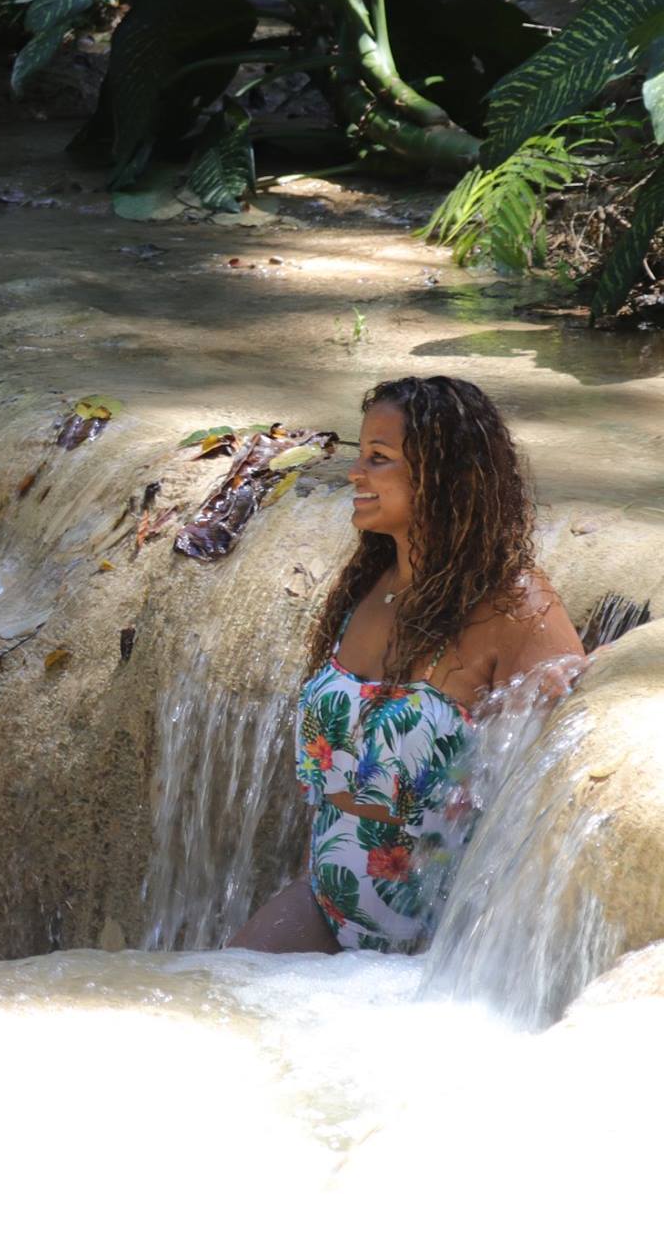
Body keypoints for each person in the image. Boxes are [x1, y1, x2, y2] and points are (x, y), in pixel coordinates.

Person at [229, 375, 585, 955]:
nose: (355, 474)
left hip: (440, 938)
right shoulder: (369, 586)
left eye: (379, 458)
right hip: (324, 899)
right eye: (360, 455)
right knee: (220, 1002)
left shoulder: (515, 607)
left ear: (444, 477)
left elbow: (557, 787)